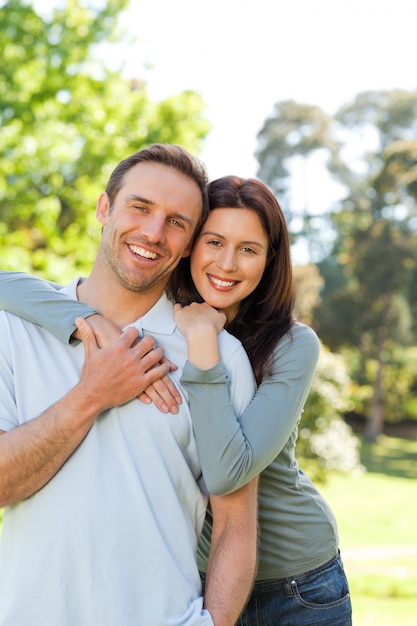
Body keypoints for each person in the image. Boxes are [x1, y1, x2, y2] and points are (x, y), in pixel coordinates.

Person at [0, 175, 352, 626]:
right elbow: (12, 288)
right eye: (214, 242)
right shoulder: (162, 317)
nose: (227, 264)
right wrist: (85, 319)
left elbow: (226, 473)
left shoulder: (285, 344)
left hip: (294, 580)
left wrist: (204, 347)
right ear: (191, 247)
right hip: (205, 574)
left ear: (269, 260)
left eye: (248, 249)